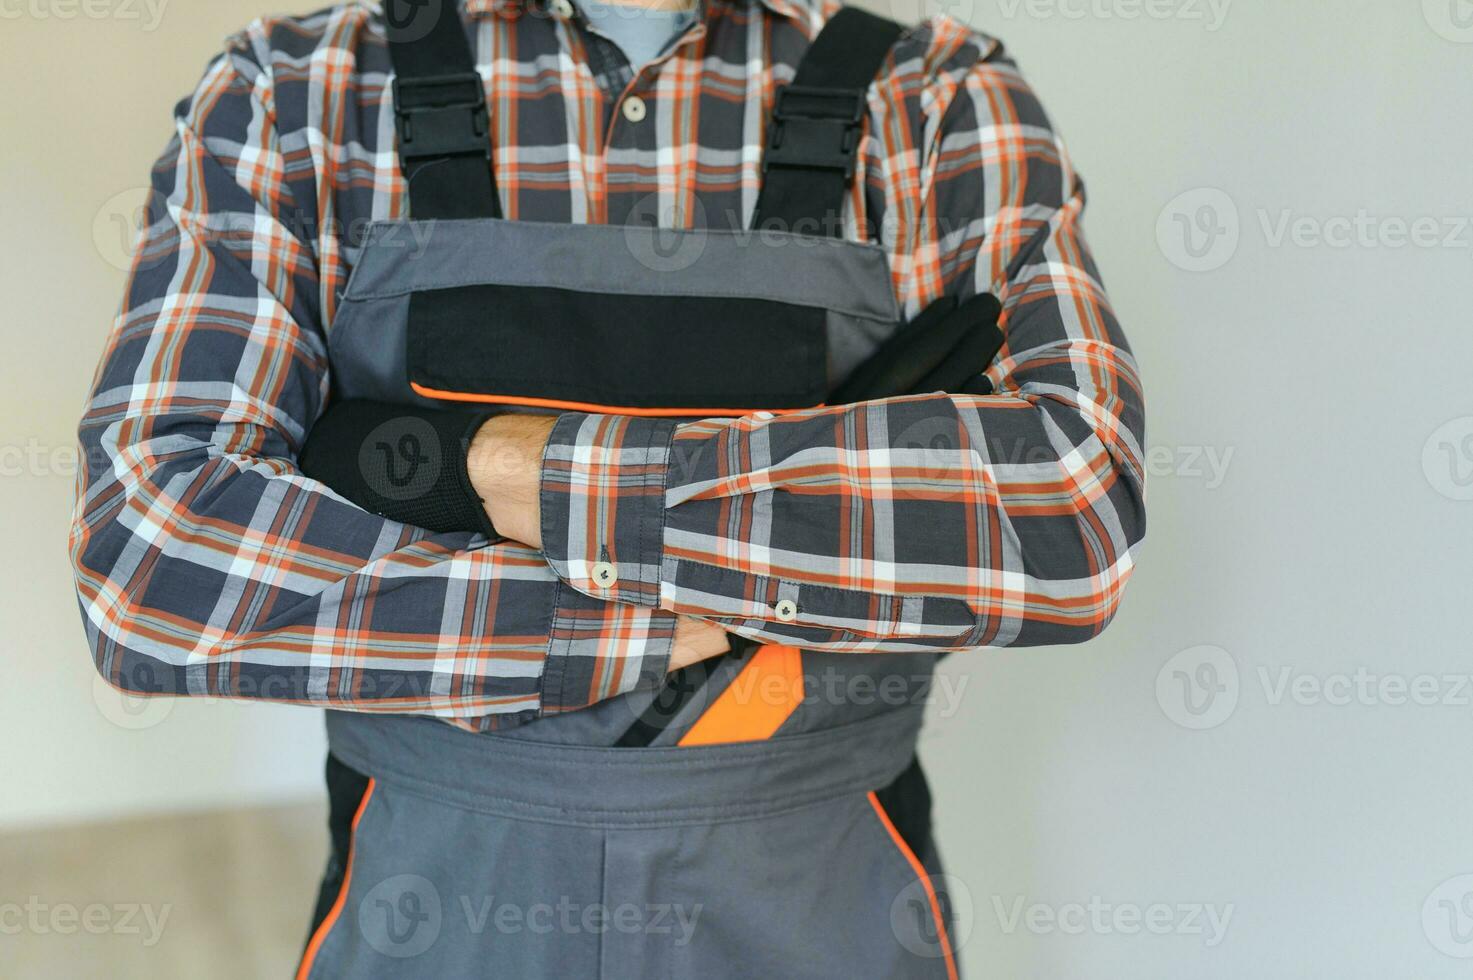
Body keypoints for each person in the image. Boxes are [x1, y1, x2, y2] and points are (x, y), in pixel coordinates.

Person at [68, 0, 1146, 975]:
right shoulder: (296, 87)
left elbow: (1069, 512)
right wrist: (605, 626)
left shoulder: (938, 95)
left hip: (821, 900)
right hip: (432, 896)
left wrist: (490, 467)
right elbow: (150, 558)